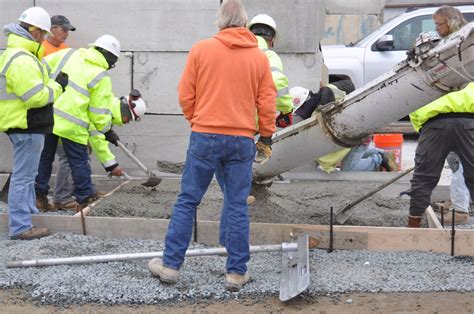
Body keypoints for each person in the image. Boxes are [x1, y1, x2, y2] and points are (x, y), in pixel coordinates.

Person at [147, 0, 276, 292]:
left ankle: (170, 266)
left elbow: (185, 94)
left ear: (219, 22)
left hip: (205, 136)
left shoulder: (201, 50)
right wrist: (266, 136)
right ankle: (235, 273)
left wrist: (197, 120)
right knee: (237, 204)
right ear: (244, 24)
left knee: (188, 199)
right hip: (242, 140)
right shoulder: (258, 58)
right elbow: (266, 102)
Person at [35, 35, 146, 212]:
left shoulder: (70, 54)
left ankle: (38, 197)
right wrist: (107, 131)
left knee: (44, 158)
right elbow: (97, 113)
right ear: (110, 57)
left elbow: (40, 67)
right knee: (79, 160)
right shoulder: (101, 76)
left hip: (48, 115)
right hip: (72, 124)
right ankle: (85, 199)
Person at [0, 7, 68, 240]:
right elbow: (35, 96)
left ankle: (28, 213)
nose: (44, 37)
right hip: (27, 124)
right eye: (44, 33)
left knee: (26, 175)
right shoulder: (22, 59)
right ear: (36, 31)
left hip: (22, 123)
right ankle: (20, 227)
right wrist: (57, 87)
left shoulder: (18, 54)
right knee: (24, 176)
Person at [406, 6, 473, 228]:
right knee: (469, 172)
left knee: (424, 175)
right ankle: (459, 210)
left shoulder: (435, 54)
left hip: (437, 122)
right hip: (466, 120)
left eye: (439, 24)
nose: (437, 28)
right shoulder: (464, 47)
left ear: (451, 22)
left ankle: (413, 225)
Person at [289, 82, 397, 172]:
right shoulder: (323, 101)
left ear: (305, 103)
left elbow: (348, 85)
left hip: (359, 135)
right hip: (354, 135)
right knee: (352, 152)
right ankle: (383, 153)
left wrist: (327, 164)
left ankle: (379, 159)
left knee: (349, 169)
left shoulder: (326, 103)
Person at [36, 15, 77, 211]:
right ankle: (40, 196)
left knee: (64, 154)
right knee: (46, 154)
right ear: (52, 29)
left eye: (68, 30)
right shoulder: (40, 50)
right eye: (64, 30)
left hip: (64, 111)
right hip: (46, 107)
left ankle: (61, 194)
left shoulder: (68, 52)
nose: (67, 34)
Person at [248, 14, 293, 128]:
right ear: (272, 40)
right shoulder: (269, 56)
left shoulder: (237, 52)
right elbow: (277, 83)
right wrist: (286, 109)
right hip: (248, 126)